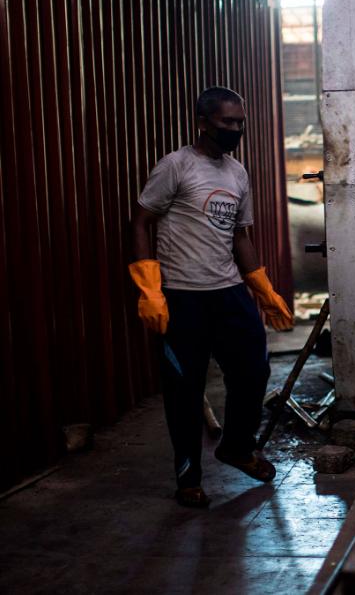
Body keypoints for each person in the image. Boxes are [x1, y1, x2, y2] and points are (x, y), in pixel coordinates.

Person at [129, 87, 294, 508]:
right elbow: (142, 220)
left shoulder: (237, 173)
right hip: (183, 298)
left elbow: (240, 234)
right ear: (203, 122)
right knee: (184, 389)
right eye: (228, 123)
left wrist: (262, 288)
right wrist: (150, 287)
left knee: (254, 371)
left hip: (229, 293)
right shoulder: (176, 167)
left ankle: (237, 446)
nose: (236, 130)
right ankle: (188, 477)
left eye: (240, 122)